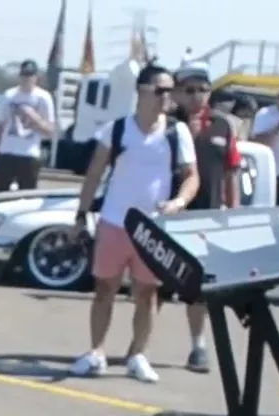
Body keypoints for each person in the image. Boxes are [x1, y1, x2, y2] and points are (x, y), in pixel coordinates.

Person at [68, 64, 196, 383]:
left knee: (147, 293)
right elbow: (94, 174)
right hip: (114, 222)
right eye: (160, 90)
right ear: (141, 91)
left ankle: (137, 355)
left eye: (170, 91)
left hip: (152, 229)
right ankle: (96, 352)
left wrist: (178, 202)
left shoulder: (176, 132)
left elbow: (192, 176)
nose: (167, 97)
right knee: (104, 289)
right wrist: (81, 215)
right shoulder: (116, 129)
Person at [174, 64, 243, 375]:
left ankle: (197, 345)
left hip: (206, 218)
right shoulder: (166, 125)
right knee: (153, 287)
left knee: (198, 288)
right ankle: (138, 349)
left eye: (202, 90)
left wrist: (235, 210)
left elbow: (231, 173)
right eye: (188, 90)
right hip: (169, 215)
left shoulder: (222, 126)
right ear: (178, 93)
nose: (196, 96)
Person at [0, 60, 58, 192]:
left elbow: (50, 130)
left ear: (36, 77)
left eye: (30, 76)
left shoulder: (43, 97)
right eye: (24, 75)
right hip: (7, 152)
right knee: (0, 192)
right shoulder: (9, 95)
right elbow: (0, 125)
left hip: (29, 154)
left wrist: (34, 117)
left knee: (27, 195)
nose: (26, 79)